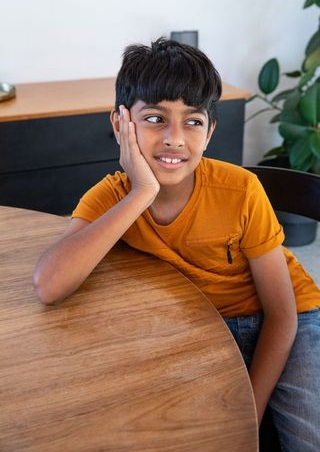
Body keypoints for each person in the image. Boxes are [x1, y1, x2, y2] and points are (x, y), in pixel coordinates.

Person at [33, 37, 320, 450]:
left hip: (290, 319)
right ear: (120, 124)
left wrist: (248, 416)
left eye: (193, 121)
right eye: (154, 119)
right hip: (201, 327)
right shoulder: (113, 197)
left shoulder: (241, 190)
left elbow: (282, 314)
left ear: (210, 131)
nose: (174, 138)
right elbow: (49, 284)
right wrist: (141, 194)